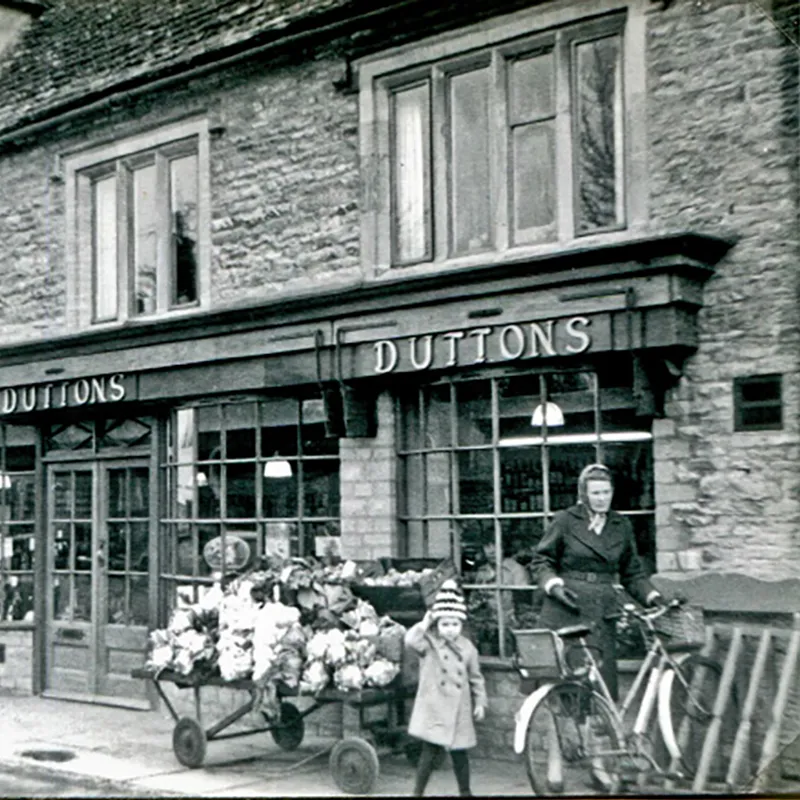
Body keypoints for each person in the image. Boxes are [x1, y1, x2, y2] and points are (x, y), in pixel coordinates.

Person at [531, 463, 665, 701]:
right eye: (595, 493)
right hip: (567, 607)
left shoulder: (620, 525)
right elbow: (541, 561)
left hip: (601, 611)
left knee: (599, 686)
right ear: (584, 494)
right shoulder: (565, 520)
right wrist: (554, 586)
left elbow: (632, 572)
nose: (602, 498)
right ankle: (567, 732)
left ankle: (601, 732)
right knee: (567, 685)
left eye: (606, 492)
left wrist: (651, 596)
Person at [405, 579, 487, 797]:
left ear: (461, 624)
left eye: (454, 624)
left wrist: (480, 702)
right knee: (429, 753)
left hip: (459, 709)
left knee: (460, 755)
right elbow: (410, 640)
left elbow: (476, 677)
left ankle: (465, 792)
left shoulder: (468, 648)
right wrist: (425, 622)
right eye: (445, 624)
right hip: (436, 707)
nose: (450, 630)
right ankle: (417, 792)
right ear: (437, 624)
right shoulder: (429, 645)